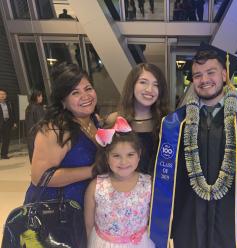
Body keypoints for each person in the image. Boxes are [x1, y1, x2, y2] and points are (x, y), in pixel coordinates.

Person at [149, 44, 237, 247]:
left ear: (224, 75)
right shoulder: (176, 123)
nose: (204, 80)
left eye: (210, 72)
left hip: (230, 216)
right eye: (197, 75)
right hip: (189, 216)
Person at [23, 63, 99, 208]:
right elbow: (40, 178)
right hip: (55, 211)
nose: (86, 96)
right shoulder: (55, 129)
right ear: (63, 101)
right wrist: (92, 171)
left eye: (88, 88)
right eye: (75, 93)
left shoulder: (93, 120)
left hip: (82, 205)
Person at [84, 116, 155, 247]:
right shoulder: (96, 186)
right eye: (116, 156)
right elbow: (89, 225)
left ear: (139, 154)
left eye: (130, 155)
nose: (124, 162)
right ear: (107, 157)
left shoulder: (149, 184)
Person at [106, 63, 169, 175]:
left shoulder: (168, 122)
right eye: (143, 82)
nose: (150, 89)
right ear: (132, 85)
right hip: (124, 187)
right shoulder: (114, 120)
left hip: (157, 187)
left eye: (156, 85)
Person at [25, 89, 45, 162]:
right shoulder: (37, 107)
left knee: (33, 149)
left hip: (30, 131)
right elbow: (41, 121)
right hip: (38, 131)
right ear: (35, 97)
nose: (41, 98)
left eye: (41, 96)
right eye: (39, 96)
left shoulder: (29, 107)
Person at [0, 88, 16, 159]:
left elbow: (13, 113)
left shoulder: (9, 103)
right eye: (0, 94)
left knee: (6, 139)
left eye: (4, 94)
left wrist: (14, 122)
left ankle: (4, 154)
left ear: (6, 95)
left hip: (7, 123)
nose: (2, 95)